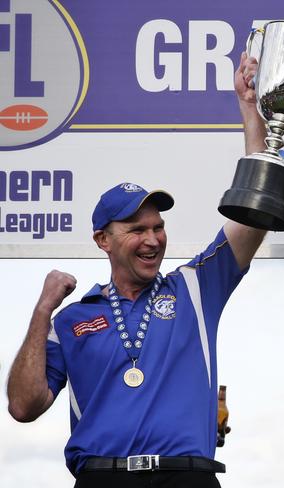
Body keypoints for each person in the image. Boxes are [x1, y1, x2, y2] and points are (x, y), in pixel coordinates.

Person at [6, 52, 265, 488]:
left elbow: (254, 215)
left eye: (158, 228)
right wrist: (42, 310)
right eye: (136, 229)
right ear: (102, 241)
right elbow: (22, 406)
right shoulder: (69, 319)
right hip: (103, 478)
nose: (152, 239)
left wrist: (249, 109)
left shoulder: (194, 288)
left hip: (186, 477)